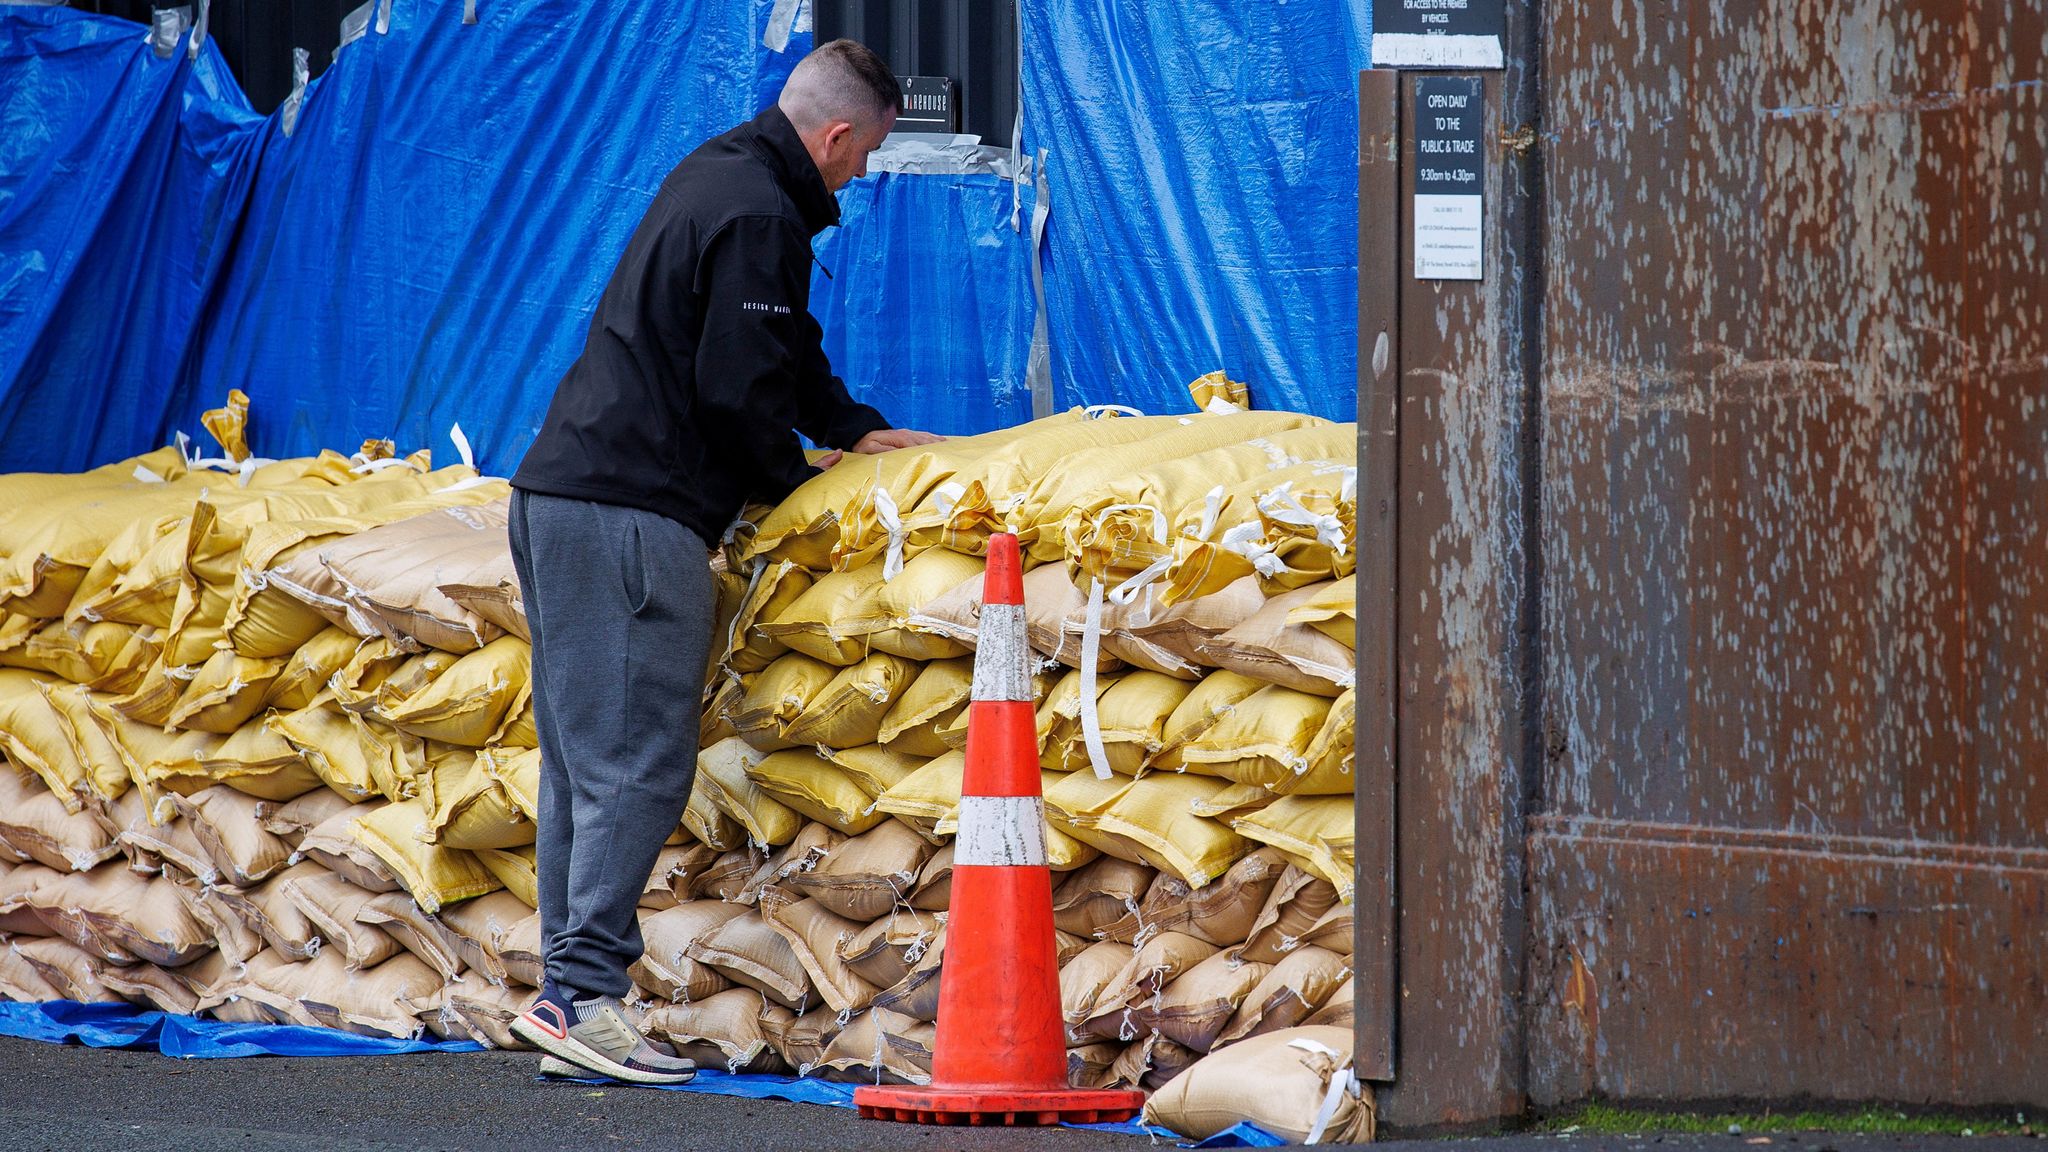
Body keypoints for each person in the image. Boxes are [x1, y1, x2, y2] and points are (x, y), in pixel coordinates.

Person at [505, 39, 940, 1083]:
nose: (862, 175)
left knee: (578, 771)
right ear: (835, 136)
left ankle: (570, 1000)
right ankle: (583, 1000)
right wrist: (800, 494)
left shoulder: (718, 174)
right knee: (636, 768)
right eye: (866, 155)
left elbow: (777, 350)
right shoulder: (758, 212)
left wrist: (848, 424)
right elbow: (737, 387)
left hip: (557, 498)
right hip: (632, 519)